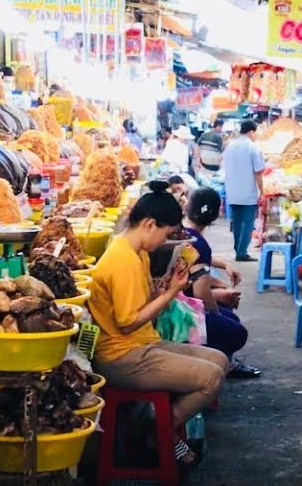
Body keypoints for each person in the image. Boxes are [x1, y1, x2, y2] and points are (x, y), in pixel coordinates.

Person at [87, 182, 227, 465]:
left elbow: (138, 302)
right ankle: (158, 430)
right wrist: (173, 293)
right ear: (150, 224)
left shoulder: (133, 250)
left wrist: (163, 288)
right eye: (165, 234)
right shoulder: (123, 260)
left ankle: (159, 422)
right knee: (211, 378)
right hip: (122, 356)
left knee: (220, 360)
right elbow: (127, 324)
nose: (165, 242)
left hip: (142, 343)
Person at [178, 187, 261, 379]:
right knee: (236, 332)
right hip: (180, 310)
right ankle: (215, 363)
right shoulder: (196, 241)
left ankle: (222, 361)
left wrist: (224, 265)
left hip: (178, 302)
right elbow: (201, 294)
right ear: (215, 215)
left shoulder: (184, 234)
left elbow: (197, 263)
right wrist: (216, 308)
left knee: (231, 319)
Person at [222, 120, 267, 262]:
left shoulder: (229, 147)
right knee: (247, 222)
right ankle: (241, 252)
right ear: (251, 132)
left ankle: (238, 249)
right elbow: (258, 172)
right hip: (248, 191)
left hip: (232, 190)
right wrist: (262, 191)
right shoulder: (252, 148)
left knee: (236, 222)